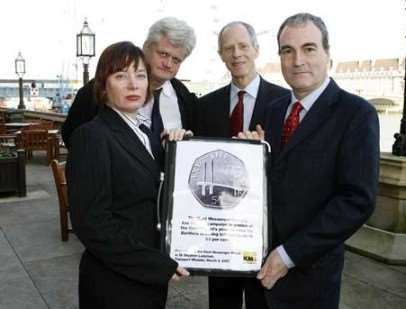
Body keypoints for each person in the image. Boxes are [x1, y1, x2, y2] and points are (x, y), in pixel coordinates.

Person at [243, 13, 379, 308]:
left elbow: (357, 201)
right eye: (287, 51)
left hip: (309, 279)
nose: (297, 61)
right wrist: (249, 160)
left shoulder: (356, 114)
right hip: (257, 273)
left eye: (309, 48)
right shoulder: (272, 110)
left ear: (328, 54)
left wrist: (289, 255)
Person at [66, 41, 190, 309]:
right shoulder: (92, 136)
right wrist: (156, 264)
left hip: (146, 283)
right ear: (103, 85)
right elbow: (92, 223)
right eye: (121, 75)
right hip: (114, 285)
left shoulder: (145, 134)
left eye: (140, 75)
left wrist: (182, 150)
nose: (133, 84)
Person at [197, 21, 289, 309]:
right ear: (221, 55)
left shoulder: (285, 102)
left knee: (264, 301)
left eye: (243, 46)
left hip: (266, 231)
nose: (236, 53)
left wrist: (265, 153)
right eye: (228, 48)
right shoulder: (205, 106)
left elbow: (293, 168)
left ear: (256, 50)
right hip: (220, 230)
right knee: (222, 302)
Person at [62, 16, 198, 149]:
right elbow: (74, 139)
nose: (168, 64)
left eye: (176, 60)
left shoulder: (184, 98)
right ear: (146, 47)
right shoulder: (97, 89)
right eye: (163, 54)